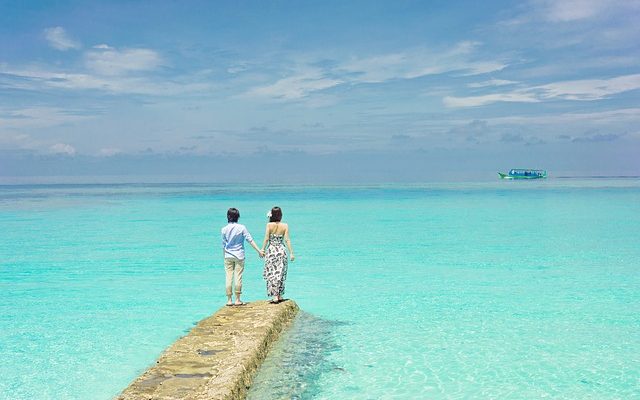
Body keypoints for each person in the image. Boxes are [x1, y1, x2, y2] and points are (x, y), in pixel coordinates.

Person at [221, 208, 264, 306]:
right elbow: (250, 240)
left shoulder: (223, 229)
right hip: (239, 255)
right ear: (237, 217)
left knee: (228, 277)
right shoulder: (242, 227)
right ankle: (237, 299)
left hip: (228, 255)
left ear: (228, 217)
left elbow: (223, 245)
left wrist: (224, 256)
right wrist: (259, 251)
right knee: (238, 276)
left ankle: (229, 300)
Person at [260, 206, 295, 304]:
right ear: (280, 215)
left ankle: (274, 296)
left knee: (272, 273)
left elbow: (266, 238)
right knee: (280, 273)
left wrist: (262, 249)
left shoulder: (269, 225)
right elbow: (287, 240)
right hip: (281, 250)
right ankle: (279, 295)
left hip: (272, 250)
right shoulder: (285, 225)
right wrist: (291, 252)